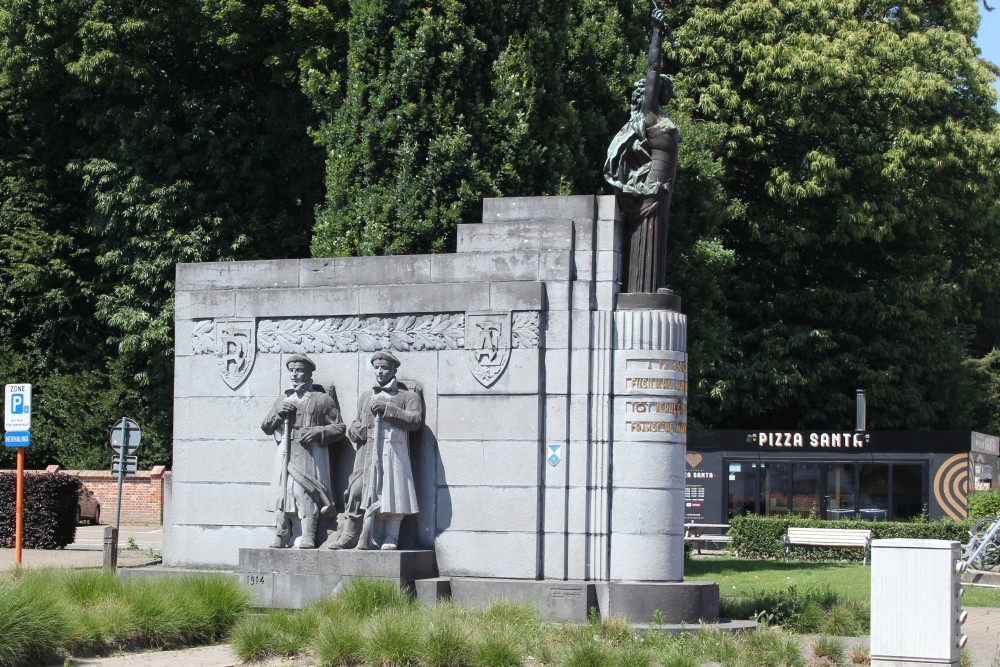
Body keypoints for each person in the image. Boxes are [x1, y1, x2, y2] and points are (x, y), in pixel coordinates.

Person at [603, 7, 680, 293]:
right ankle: (641, 290)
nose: (670, 89)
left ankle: (654, 285)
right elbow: (652, 68)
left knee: (657, 236)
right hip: (651, 186)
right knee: (645, 235)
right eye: (666, 86)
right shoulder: (650, 115)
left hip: (663, 186)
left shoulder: (661, 118)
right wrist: (657, 32)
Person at [327, 350, 423, 550]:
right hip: (367, 451)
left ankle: (391, 536)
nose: (379, 372)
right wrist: (356, 430)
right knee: (356, 490)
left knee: (393, 493)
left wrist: (388, 409)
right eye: (376, 367)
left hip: (393, 449)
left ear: (394, 369)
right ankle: (350, 534)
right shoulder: (366, 396)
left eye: (384, 367)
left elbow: (415, 420)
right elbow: (357, 421)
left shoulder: (408, 396)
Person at [261, 354, 345, 549]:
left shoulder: (321, 399)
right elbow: (266, 427)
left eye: (299, 370)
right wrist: (279, 414)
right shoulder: (283, 399)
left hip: (309, 453)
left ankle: (308, 534)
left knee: (303, 492)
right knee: (284, 494)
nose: (294, 374)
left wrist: (318, 431)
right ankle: (283, 532)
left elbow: (339, 428)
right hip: (285, 451)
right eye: (292, 370)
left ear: (308, 373)